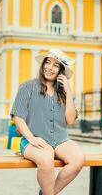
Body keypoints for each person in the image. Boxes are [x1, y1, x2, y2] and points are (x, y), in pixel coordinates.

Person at [10, 49, 85, 195]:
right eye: (48, 62)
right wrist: (31, 138)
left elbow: (69, 120)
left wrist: (69, 93)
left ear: (61, 72)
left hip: (61, 140)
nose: (50, 67)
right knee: (46, 158)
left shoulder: (63, 93)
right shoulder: (27, 87)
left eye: (56, 65)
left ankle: (46, 193)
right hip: (33, 140)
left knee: (78, 159)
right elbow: (17, 117)